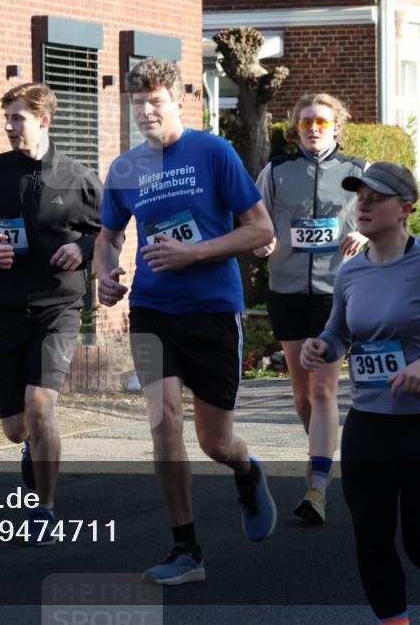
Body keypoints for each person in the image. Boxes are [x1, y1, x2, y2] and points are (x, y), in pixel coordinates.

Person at [94, 58, 277, 585]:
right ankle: (186, 550)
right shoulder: (125, 169)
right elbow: (107, 239)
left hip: (214, 310)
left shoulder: (213, 152)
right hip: (153, 311)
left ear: (179, 102)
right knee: (164, 422)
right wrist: (105, 278)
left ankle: (246, 471)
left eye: (156, 101)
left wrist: (194, 255)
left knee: (216, 443)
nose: (147, 111)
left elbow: (258, 228)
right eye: (138, 104)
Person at [300, 162, 420, 625]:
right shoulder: (350, 274)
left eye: (377, 197)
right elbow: (339, 332)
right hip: (371, 423)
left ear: (404, 209)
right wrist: (321, 347)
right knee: (371, 537)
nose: (363, 205)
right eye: (359, 195)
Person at [0, 82, 102, 545]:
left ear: (43, 119)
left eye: (17, 117)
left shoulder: (79, 177)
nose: (8, 126)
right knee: (15, 426)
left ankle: (45, 507)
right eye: (6, 117)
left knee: (41, 408)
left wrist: (82, 248)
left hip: (57, 308)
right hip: (4, 306)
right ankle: (31, 446)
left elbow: (108, 232)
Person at [253, 92, 367, 523]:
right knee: (301, 394)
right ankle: (322, 451)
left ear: (338, 125)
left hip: (336, 293)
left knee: (323, 390)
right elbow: (254, 219)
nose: (314, 129)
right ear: (295, 128)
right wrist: (262, 239)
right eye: (306, 123)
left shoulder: (358, 171)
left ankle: (317, 487)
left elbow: (392, 217)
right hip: (285, 291)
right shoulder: (277, 170)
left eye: (322, 122)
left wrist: (367, 238)